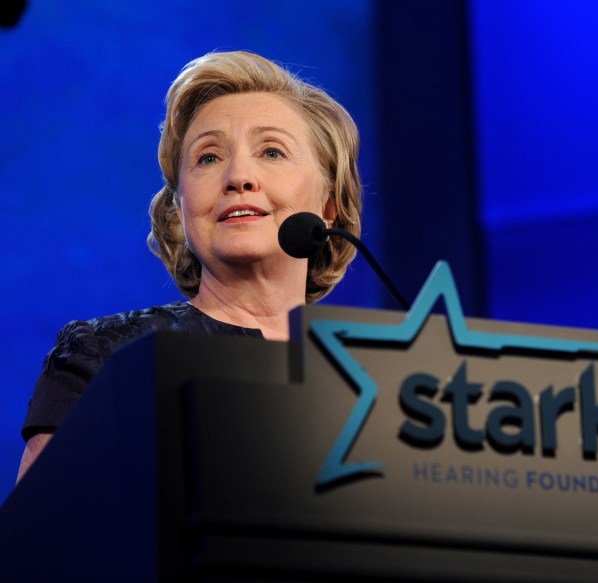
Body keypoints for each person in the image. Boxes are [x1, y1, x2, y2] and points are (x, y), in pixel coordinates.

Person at [17, 50, 363, 482]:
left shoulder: (380, 379)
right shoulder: (106, 357)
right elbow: (39, 540)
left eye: (272, 152)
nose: (239, 176)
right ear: (180, 209)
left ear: (329, 207)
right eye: (208, 157)